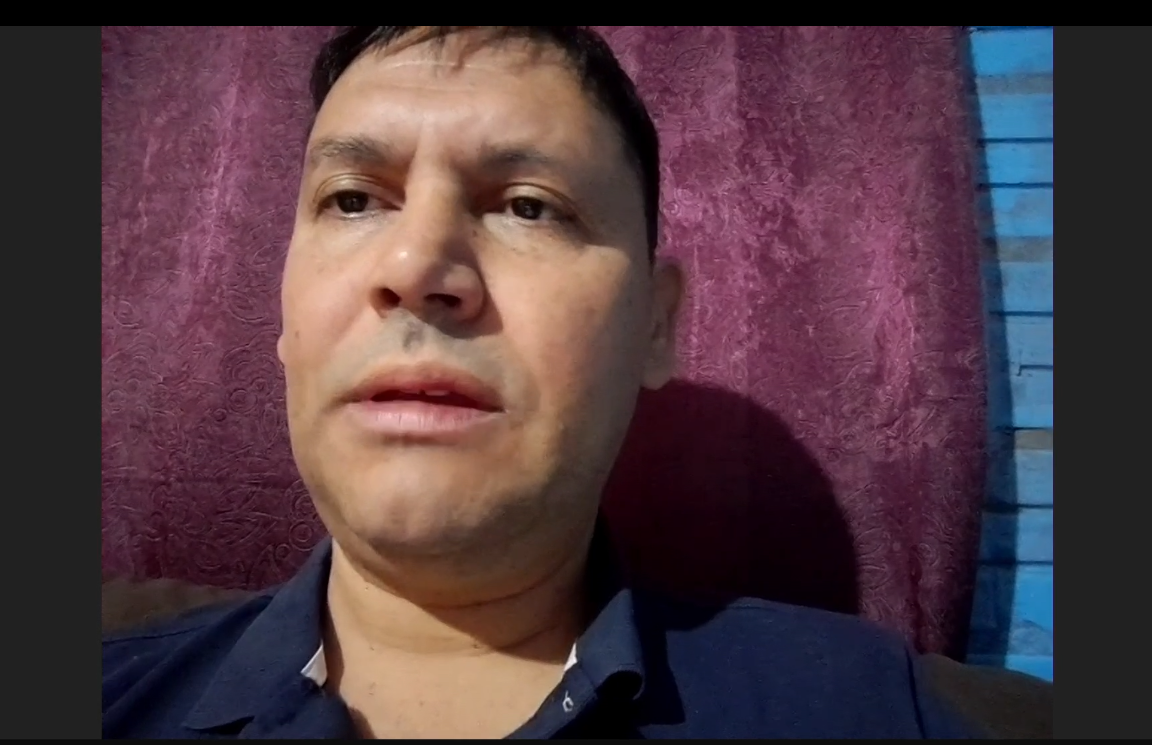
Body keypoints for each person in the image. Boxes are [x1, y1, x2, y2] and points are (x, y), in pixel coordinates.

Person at [102, 26, 980, 739]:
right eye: (353, 199)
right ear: (286, 314)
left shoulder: (862, 708)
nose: (414, 266)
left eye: (528, 206)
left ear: (655, 325)